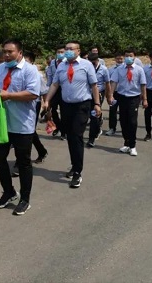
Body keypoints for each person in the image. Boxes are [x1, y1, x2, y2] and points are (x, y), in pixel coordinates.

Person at [0, 40, 40, 215]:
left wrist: (8, 95)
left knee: (23, 162)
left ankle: (25, 199)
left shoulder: (30, 70)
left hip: (22, 124)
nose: (7, 55)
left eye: (10, 52)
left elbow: (33, 93)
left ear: (20, 53)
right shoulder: (0, 70)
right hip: (3, 123)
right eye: (5, 52)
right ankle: (9, 191)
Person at [44, 41, 100, 188]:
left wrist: (97, 104)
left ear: (78, 51)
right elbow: (55, 84)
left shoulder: (86, 65)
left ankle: (77, 173)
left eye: (70, 49)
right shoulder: (61, 66)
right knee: (70, 136)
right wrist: (47, 101)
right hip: (66, 106)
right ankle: (75, 165)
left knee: (76, 136)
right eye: (65, 49)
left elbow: (94, 85)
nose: (67, 51)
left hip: (82, 105)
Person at [11, 51, 49, 177]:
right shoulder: (14, 72)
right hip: (17, 104)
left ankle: (19, 162)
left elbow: (44, 91)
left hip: (33, 104)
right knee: (29, 131)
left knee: (26, 132)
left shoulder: (36, 74)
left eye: (26, 61)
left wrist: (46, 104)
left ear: (32, 62)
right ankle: (42, 151)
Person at [109, 50, 147, 157]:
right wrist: (111, 95)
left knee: (132, 121)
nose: (128, 58)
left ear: (134, 57)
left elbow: (143, 84)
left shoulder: (139, 70)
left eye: (131, 56)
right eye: (126, 56)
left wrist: (145, 99)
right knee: (123, 120)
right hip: (122, 97)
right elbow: (114, 82)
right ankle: (126, 143)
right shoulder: (119, 69)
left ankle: (133, 145)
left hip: (134, 97)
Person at [87, 52, 110, 147]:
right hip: (87, 95)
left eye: (94, 63)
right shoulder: (87, 68)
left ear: (97, 60)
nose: (92, 64)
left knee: (94, 116)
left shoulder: (104, 69)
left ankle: (91, 139)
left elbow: (107, 83)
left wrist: (109, 95)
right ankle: (96, 128)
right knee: (87, 115)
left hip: (98, 95)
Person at [45, 46, 67, 140]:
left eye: (62, 52)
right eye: (59, 51)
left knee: (64, 111)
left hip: (64, 89)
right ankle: (58, 126)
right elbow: (50, 75)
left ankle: (64, 132)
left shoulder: (67, 62)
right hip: (54, 89)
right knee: (53, 110)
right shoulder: (53, 63)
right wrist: (48, 88)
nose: (60, 53)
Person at [104, 53, 124, 136]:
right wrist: (108, 93)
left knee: (124, 112)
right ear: (115, 59)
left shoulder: (126, 69)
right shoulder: (111, 69)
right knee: (112, 111)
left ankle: (124, 129)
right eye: (118, 58)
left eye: (121, 59)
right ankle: (112, 128)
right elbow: (108, 82)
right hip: (114, 93)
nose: (119, 60)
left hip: (123, 93)